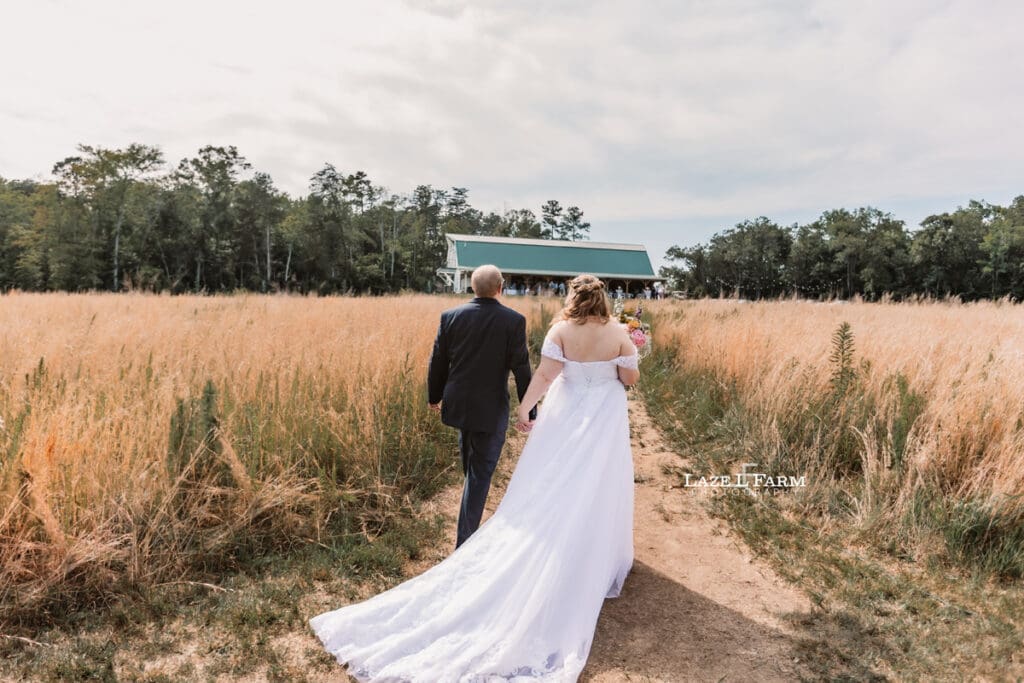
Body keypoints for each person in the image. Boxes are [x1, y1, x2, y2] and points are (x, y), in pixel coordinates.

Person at [309, 273, 639, 682]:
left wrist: (527, 408)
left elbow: (545, 374)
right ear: (604, 299)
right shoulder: (620, 332)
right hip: (604, 415)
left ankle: (543, 537)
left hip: (567, 412)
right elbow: (628, 380)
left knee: (555, 480)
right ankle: (592, 546)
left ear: (573, 297)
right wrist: (628, 356)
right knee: (599, 480)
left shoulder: (560, 330)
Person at [431, 264, 535, 548]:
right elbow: (522, 368)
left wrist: (434, 396)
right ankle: (464, 544)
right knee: (478, 472)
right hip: (491, 408)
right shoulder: (513, 320)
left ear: (471, 287)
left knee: (474, 468)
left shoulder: (450, 316)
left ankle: (469, 517)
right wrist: (530, 408)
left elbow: (438, 361)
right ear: (500, 288)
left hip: (459, 404)